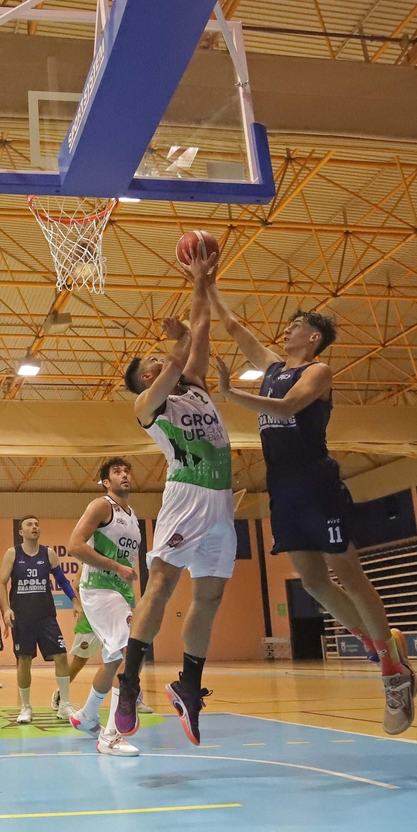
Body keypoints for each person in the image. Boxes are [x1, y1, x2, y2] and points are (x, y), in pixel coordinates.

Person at [204, 250, 416, 735]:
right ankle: (380, 644)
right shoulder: (275, 366)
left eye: (294, 326)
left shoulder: (317, 373)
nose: (285, 331)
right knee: (315, 583)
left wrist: (230, 393)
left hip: (317, 481)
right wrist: (207, 282)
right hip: (283, 487)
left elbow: (289, 408)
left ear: (313, 337)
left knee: (348, 573)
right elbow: (235, 327)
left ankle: (392, 671)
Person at [111, 249, 234, 746]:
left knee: (210, 596)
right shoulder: (148, 404)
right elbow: (184, 347)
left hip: (222, 500)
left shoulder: (196, 385)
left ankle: (189, 684)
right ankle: (127, 684)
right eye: (153, 363)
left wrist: (201, 280)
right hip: (186, 497)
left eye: (162, 358)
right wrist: (177, 340)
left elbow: (200, 329)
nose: (162, 361)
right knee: (159, 586)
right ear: (144, 377)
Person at [66, 457, 144, 756]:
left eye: (127, 470)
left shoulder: (132, 514)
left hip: (120, 592)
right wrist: (115, 567)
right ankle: (109, 737)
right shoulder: (101, 506)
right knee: (131, 654)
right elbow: (75, 546)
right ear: (106, 482)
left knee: (113, 661)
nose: (124, 474)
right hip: (99, 589)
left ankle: (87, 715)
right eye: (116, 472)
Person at [0, 516, 76, 724]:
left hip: (46, 615)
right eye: (29, 524)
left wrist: (75, 602)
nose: (35, 527)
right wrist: (5, 609)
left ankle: (65, 705)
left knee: (61, 655)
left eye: (37, 524)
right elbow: (1, 584)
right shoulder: (12, 554)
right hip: (22, 617)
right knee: (24, 660)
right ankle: (25, 707)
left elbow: (62, 581)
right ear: (21, 532)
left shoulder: (48, 554)